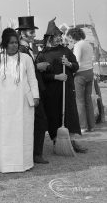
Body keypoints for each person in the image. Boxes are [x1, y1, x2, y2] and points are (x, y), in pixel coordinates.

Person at [0, 28, 39, 173]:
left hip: (23, 103)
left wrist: (35, 96)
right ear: (5, 44)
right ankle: (6, 164)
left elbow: (32, 79)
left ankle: (25, 163)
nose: (14, 45)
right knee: (6, 133)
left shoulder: (26, 58)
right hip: (4, 104)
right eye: (11, 43)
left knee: (24, 132)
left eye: (16, 42)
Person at [37, 18, 87, 153]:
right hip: (51, 91)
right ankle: (56, 141)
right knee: (54, 114)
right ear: (50, 38)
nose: (59, 38)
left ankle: (70, 140)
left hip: (67, 88)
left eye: (60, 36)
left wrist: (69, 64)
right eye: (57, 36)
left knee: (69, 114)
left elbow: (76, 66)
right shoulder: (42, 55)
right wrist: (56, 77)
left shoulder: (66, 51)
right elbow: (40, 76)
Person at [16, 16, 49, 164]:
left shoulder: (26, 48)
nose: (34, 35)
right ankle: (36, 153)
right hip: (29, 92)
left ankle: (35, 152)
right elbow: (23, 70)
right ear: (22, 33)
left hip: (33, 90)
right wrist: (38, 67)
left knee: (37, 121)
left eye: (34, 32)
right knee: (39, 121)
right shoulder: (21, 49)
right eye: (31, 32)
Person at [66, 27, 95, 132]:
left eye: (69, 38)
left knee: (79, 101)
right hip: (90, 72)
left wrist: (68, 63)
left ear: (73, 36)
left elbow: (76, 61)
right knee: (88, 100)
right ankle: (91, 125)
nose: (69, 41)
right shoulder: (88, 44)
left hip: (80, 74)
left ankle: (83, 126)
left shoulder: (78, 45)